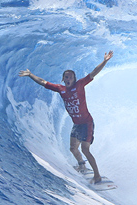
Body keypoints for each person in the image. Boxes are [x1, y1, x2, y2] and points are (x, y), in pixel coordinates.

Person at [19, 51, 114, 184]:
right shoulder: (60, 89)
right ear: (63, 79)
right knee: (73, 149)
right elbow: (43, 82)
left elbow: (94, 72)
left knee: (85, 149)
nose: (68, 79)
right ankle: (82, 165)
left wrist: (105, 61)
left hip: (87, 123)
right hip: (76, 124)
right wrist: (30, 75)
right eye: (66, 77)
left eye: (70, 77)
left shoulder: (80, 85)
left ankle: (97, 176)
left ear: (74, 79)